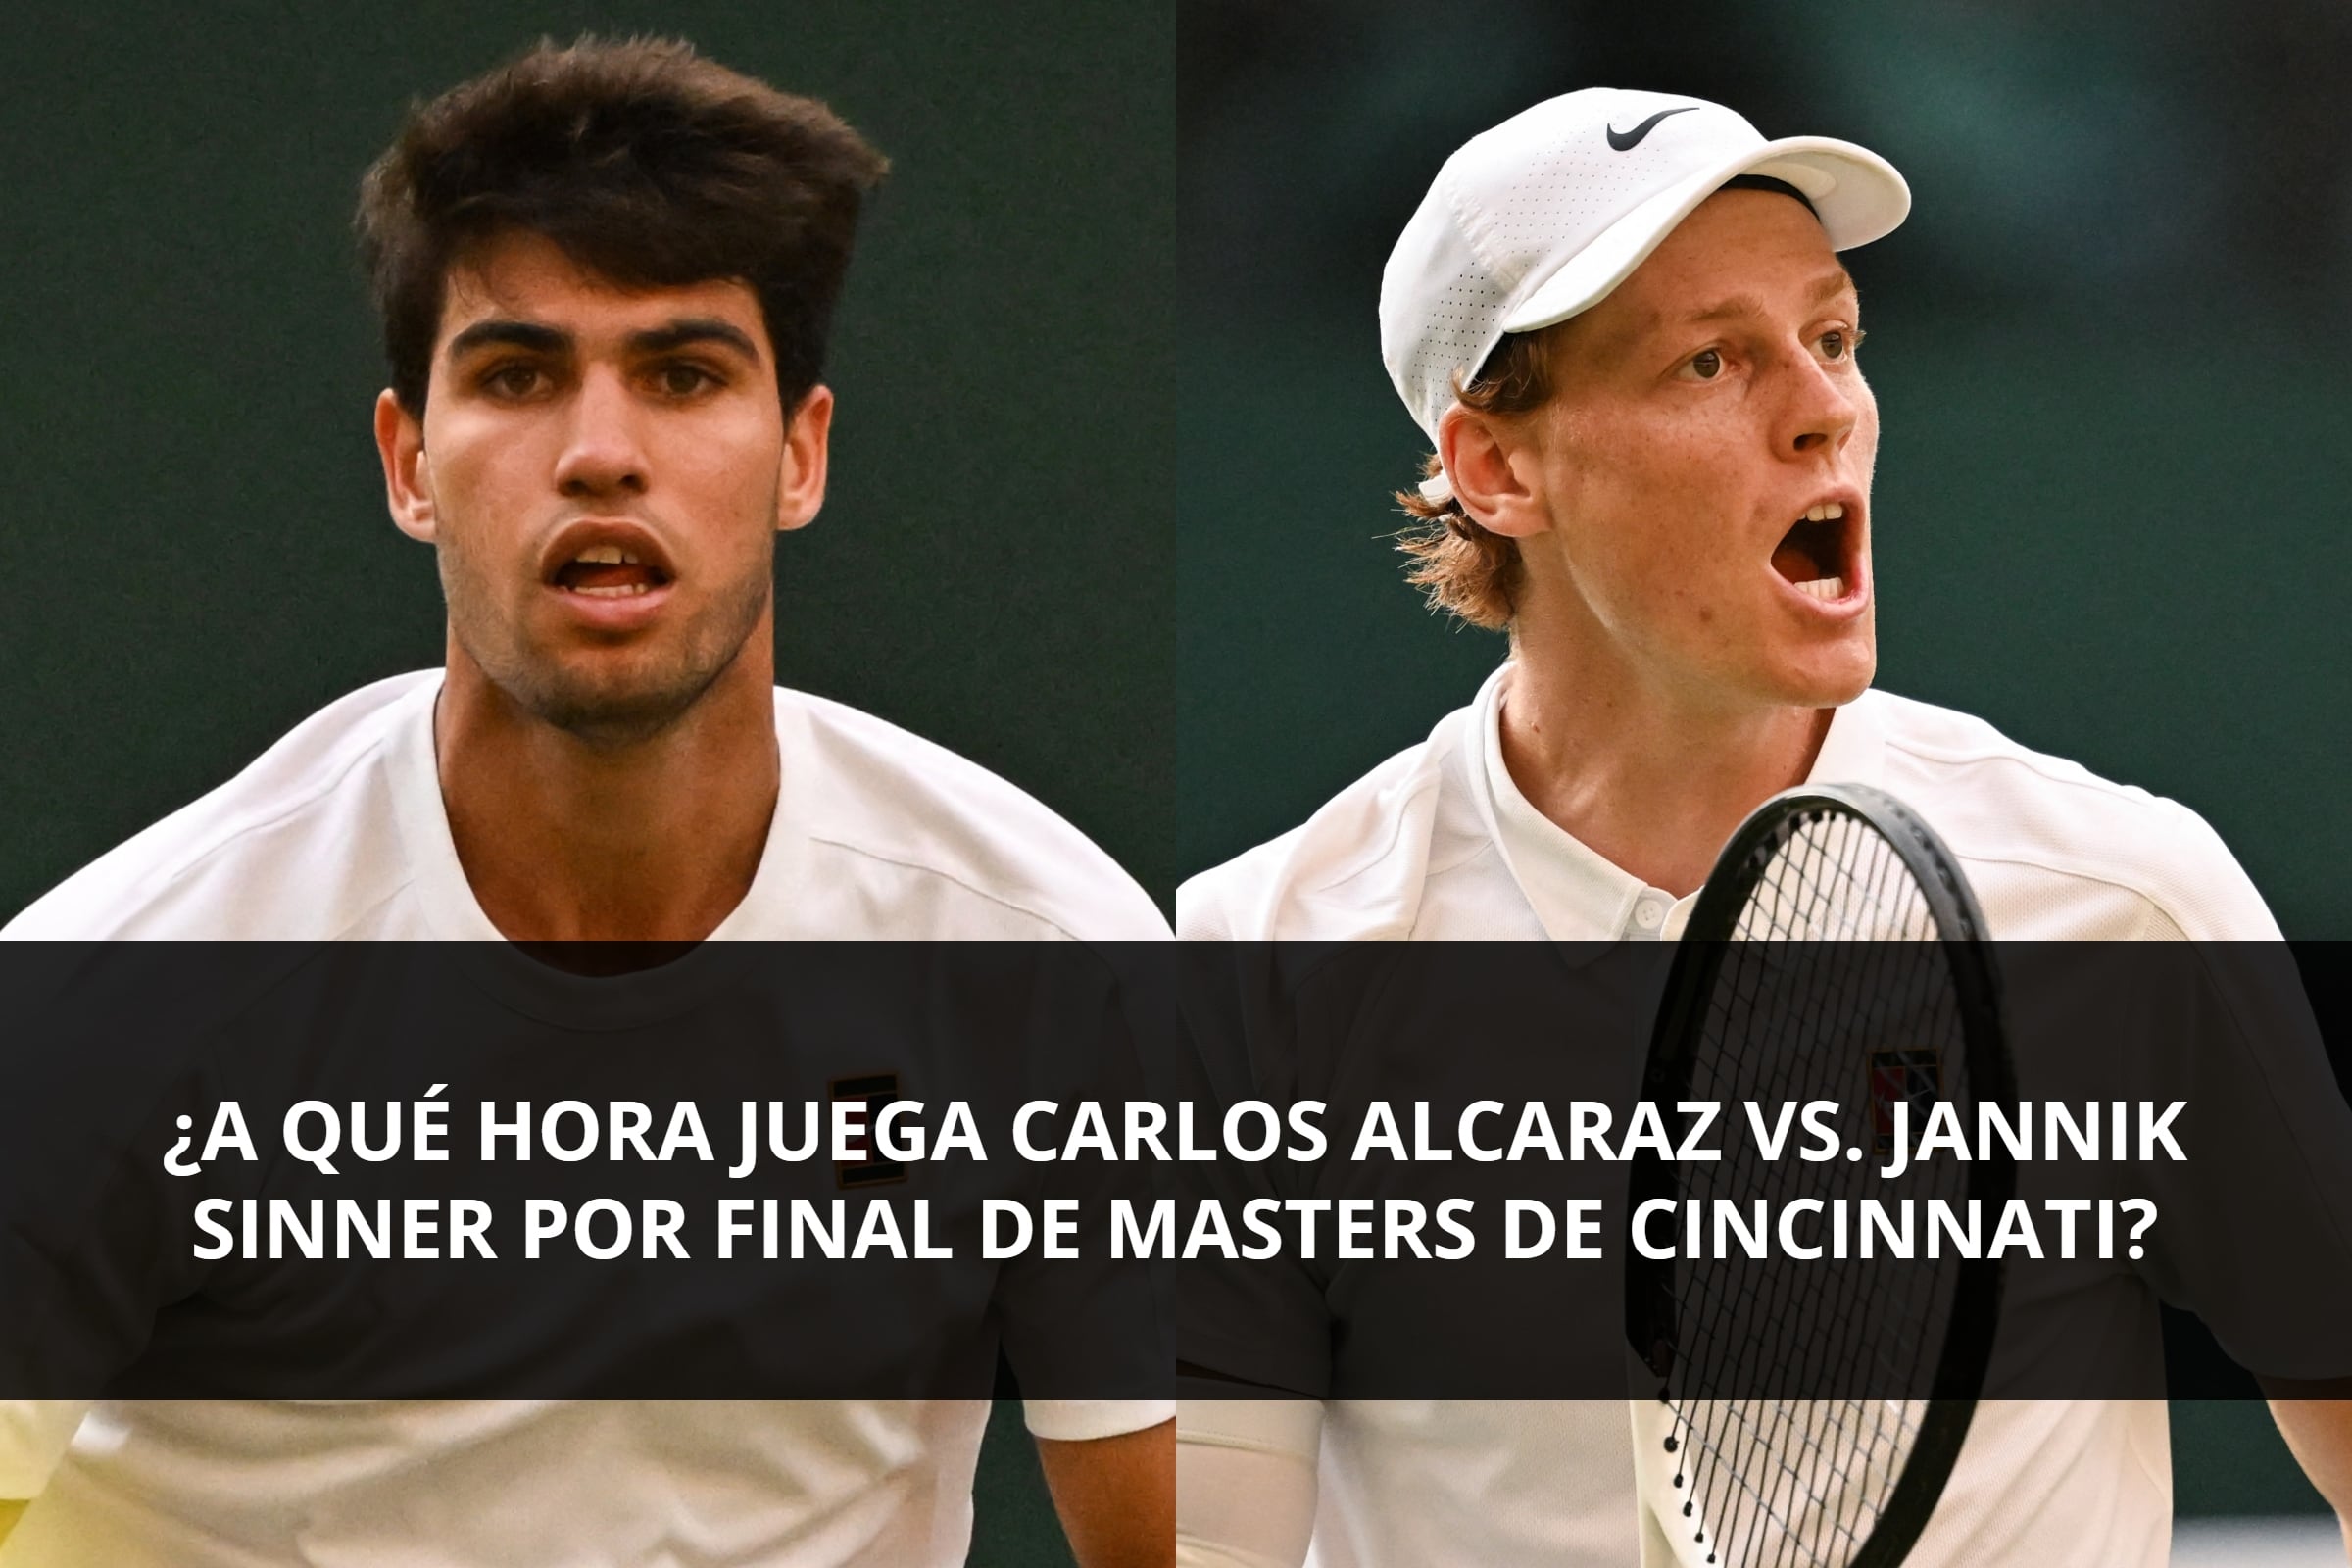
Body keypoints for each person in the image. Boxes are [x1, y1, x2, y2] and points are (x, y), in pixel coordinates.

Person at [0, 36, 1171, 1568]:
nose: (602, 452)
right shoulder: (115, 1000)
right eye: (517, 375)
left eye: (684, 375)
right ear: (410, 463)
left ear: (799, 455)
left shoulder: (1050, 959)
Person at [1171, 87, 2352, 1567]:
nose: (1821, 406)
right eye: (1712, 359)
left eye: (1836, 337)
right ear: (1496, 467)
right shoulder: (1253, 971)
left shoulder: (2125, 903)